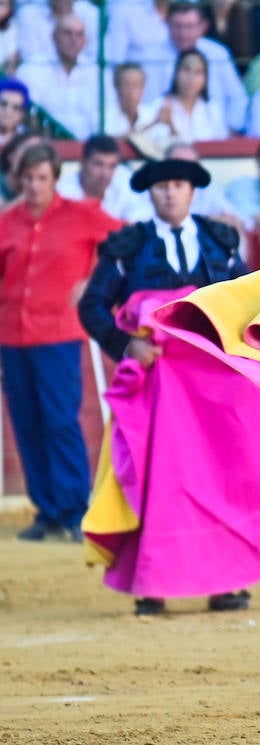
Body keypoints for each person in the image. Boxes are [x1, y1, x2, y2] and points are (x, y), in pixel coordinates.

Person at [78, 157, 252, 614]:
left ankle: (226, 581)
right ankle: (151, 582)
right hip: (155, 386)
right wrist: (125, 345)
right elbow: (92, 306)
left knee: (217, 476)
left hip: (213, 385)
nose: (170, 193)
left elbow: (250, 301)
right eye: (161, 187)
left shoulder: (221, 242)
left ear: (192, 192)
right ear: (149, 194)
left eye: (177, 185)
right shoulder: (127, 248)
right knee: (155, 477)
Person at [0, 143, 121, 543]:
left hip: (57, 335)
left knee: (59, 421)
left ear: (55, 179)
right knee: (27, 424)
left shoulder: (82, 215)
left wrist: (95, 280)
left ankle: (72, 509)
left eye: (41, 178)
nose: (33, 186)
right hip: (12, 335)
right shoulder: (7, 222)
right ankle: (47, 511)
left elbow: (126, 244)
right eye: (27, 178)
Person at [141, 1, 249, 134]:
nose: (183, 33)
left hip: (214, 135)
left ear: (203, 26)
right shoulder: (150, 56)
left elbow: (237, 98)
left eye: (189, 26)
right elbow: (146, 102)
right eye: (177, 26)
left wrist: (230, 133)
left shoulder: (218, 53)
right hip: (161, 135)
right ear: (166, 24)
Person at [13, 13, 99, 139]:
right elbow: (28, 116)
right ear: (54, 36)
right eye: (68, 33)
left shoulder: (96, 70)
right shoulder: (31, 68)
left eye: (79, 34)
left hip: (89, 146)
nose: (74, 40)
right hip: (45, 145)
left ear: (85, 40)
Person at [56, 134, 152, 222]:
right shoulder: (62, 190)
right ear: (83, 163)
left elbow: (142, 214)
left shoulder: (124, 179)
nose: (105, 174)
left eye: (111, 166)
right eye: (98, 164)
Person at [151, 47, 230, 142]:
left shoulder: (212, 109)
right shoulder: (159, 106)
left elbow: (221, 146)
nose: (191, 78)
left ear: (205, 79)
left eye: (198, 72)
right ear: (175, 74)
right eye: (186, 70)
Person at [0, 78, 29, 149]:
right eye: (4, 104)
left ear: (22, 114)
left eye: (15, 108)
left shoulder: (26, 143)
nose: (8, 112)